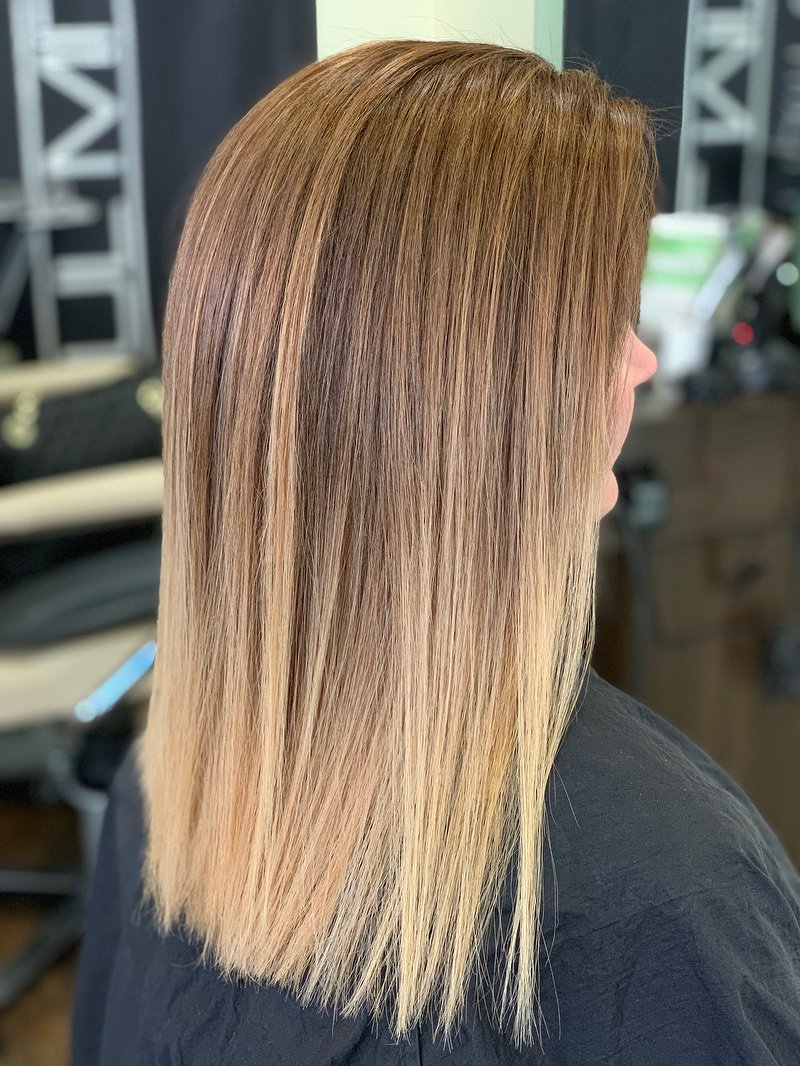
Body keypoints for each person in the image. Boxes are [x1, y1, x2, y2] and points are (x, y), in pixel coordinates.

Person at [71, 39, 800, 1065]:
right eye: (602, 324)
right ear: (482, 412)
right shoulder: (669, 894)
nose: (637, 359)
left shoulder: (167, 785)